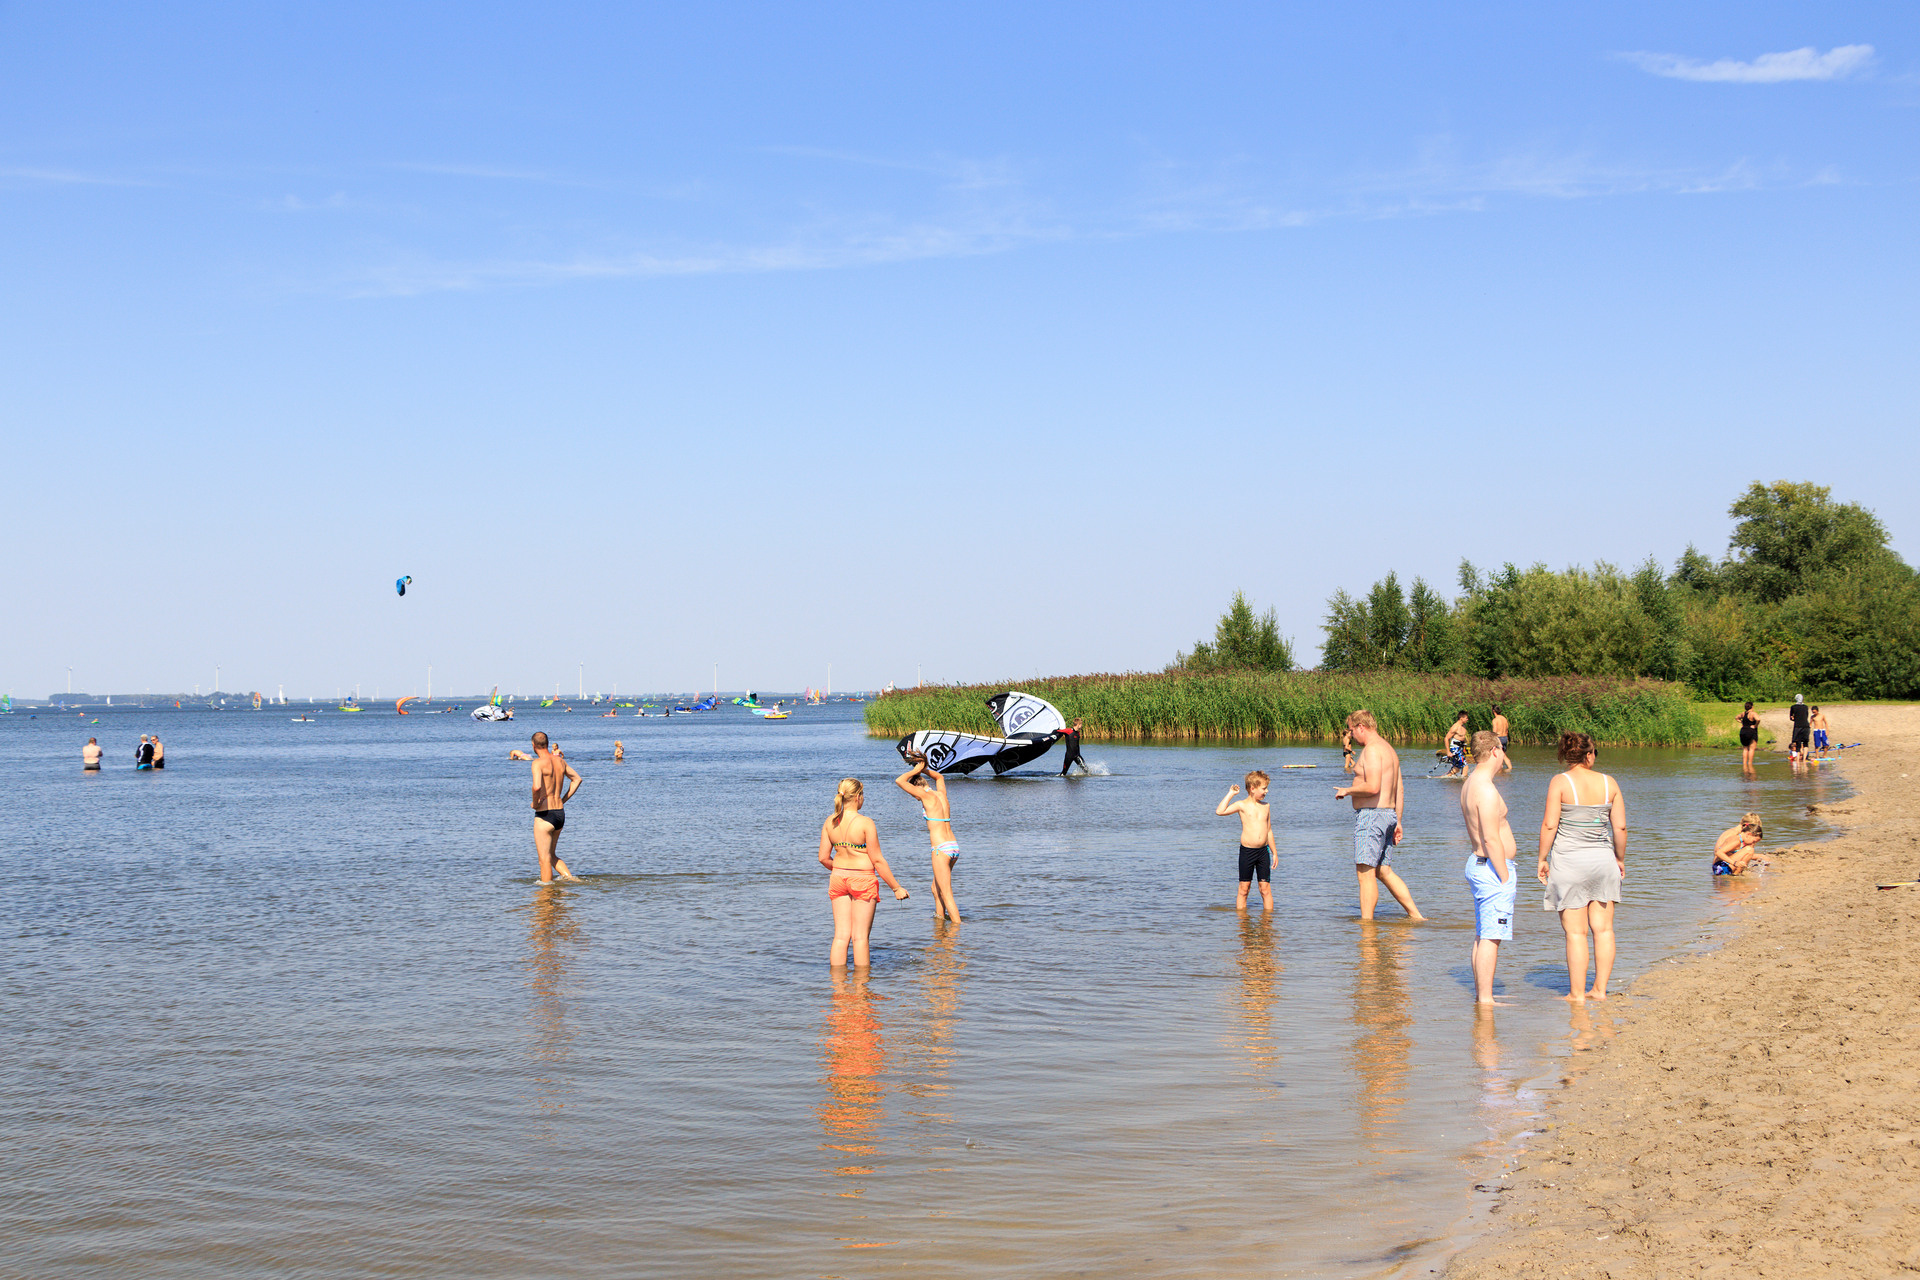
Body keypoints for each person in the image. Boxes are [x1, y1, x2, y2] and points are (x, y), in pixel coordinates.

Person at [1538, 731, 1627, 1002]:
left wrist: (1542, 858)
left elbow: (1550, 824)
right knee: (1604, 930)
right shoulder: (1608, 782)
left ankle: (1576, 995)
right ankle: (1599, 991)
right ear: (1589, 755)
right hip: (1602, 861)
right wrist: (1620, 858)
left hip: (1569, 862)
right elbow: (1620, 827)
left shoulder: (1560, 782)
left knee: (1576, 933)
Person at [1335, 709, 1424, 921]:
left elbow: (1373, 787)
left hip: (1372, 817)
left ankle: (1367, 925)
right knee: (1383, 871)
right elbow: (1399, 789)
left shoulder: (1372, 750)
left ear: (1361, 727)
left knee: (1365, 874)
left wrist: (1347, 790)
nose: (1351, 736)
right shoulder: (1390, 750)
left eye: (1351, 730)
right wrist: (1398, 821)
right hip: (1388, 815)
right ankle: (1416, 916)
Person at [819, 778, 910, 967]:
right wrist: (896, 888)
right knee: (860, 938)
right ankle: (861, 989)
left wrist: (840, 870)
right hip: (862, 879)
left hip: (838, 878)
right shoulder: (866, 823)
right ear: (858, 797)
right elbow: (877, 860)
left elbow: (823, 857)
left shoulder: (830, 821)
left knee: (841, 936)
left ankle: (838, 988)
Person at [1460, 731, 1517, 1005]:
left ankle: (1482, 994)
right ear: (1495, 751)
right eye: (1503, 751)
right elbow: (1491, 838)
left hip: (1480, 865)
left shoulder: (1471, 782)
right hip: (1492, 868)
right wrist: (1505, 877)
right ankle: (1485, 999)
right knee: (1492, 936)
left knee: (1484, 934)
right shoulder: (1486, 788)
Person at [895, 753, 961, 925]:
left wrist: (917, 769)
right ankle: (940, 926)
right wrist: (924, 767)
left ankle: (958, 930)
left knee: (946, 894)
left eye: (914, 796)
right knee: (935, 888)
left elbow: (900, 781)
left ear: (917, 790)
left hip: (940, 849)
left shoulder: (924, 795)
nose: (916, 799)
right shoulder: (941, 794)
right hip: (953, 847)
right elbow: (939, 776)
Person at [1216, 770, 1277, 912]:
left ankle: (1268, 922)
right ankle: (1243, 924)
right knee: (1244, 889)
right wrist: (1231, 794)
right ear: (1252, 788)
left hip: (1263, 852)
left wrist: (1274, 852)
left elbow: (1268, 830)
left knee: (1265, 889)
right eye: (1264, 788)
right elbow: (1220, 811)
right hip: (1247, 852)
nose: (1266, 791)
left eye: (1267, 788)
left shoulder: (1266, 806)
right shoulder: (1241, 805)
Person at [528, 731, 582, 884]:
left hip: (545, 815)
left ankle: (546, 895)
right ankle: (572, 880)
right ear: (546, 743)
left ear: (533, 745)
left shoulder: (537, 763)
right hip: (559, 814)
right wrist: (563, 799)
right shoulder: (560, 762)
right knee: (551, 855)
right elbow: (577, 779)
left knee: (544, 859)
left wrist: (536, 803)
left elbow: (537, 787)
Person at [1442, 711, 1470, 778]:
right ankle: (1461, 780)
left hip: (1460, 748)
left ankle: (1452, 777)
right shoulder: (1455, 727)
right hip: (1455, 748)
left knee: (1459, 767)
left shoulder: (1463, 726)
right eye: (1466, 718)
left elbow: (1462, 738)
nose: (1467, 719)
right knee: (1464, 766)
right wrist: (1448, 752)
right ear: (1461, 718)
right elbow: (1446, 738)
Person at [1737, 701, 1761, 770]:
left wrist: (1741, 722)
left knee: (1745, 748)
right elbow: (1758, 719)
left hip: (1743, 731)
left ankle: (1744, 764)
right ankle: (1750, 764)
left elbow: (1736, 717)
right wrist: (1755, 725)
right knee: (1751, 748)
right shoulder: (1753, 714)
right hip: (1751, 731)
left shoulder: (1743, 713)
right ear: (1752, 707)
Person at [1490, 705, 1512, 772]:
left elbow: (1494, 731)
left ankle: (1509, 768)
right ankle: (1501, 771)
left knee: (1502, 756)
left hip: (1498, 738)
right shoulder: (1504, 719)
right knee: (1501, 756)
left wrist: (1491, 740)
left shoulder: (1495, 720)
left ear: (1493, 711)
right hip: (1505, 738)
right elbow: (1507, 730)